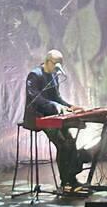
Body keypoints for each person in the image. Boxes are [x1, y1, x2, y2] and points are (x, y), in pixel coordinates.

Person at [24, 49, 87, 193]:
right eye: (56, 64)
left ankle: (71, 179)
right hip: (39, 117)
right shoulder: (35, 75)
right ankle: (65, 181)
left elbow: (56, 98)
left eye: (60, 64)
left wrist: (70, 107)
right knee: (63, 144)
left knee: (70, 141)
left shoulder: (53, 75)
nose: (57, 67)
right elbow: (36, 98)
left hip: (53, 116)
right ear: (47, 61)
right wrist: (56, 106)